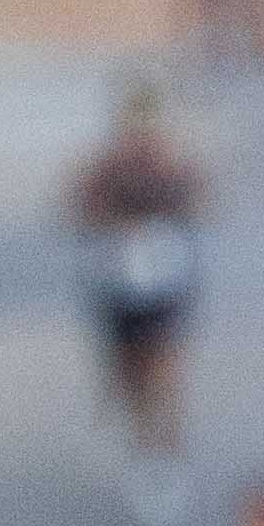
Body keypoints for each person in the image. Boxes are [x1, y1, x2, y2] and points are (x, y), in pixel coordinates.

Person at [77, 79, 210, 469]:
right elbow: (82, 210)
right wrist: (117, 223)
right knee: (130, 367)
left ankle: (165, 452)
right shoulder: (106, 165)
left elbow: (202, 202)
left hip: (166, 274)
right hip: (118, 277)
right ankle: (140, 440)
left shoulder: (174, 163)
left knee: (166, 363)